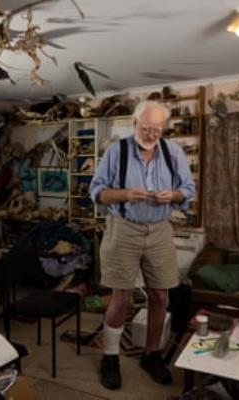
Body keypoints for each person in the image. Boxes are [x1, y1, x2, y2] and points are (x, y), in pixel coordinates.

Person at [89, 100, 195, 390]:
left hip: (160, 229)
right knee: (121, 297)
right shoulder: (116, 151)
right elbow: (96, 192)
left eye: (156, 130)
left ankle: (152, 355)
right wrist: (123, 194)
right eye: (146, 128)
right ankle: (110, 357)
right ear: (134, 124)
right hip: (123, 229)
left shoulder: (173, 152)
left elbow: (187, 190)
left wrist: (172, 195)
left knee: (160, 296)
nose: (150, 135)